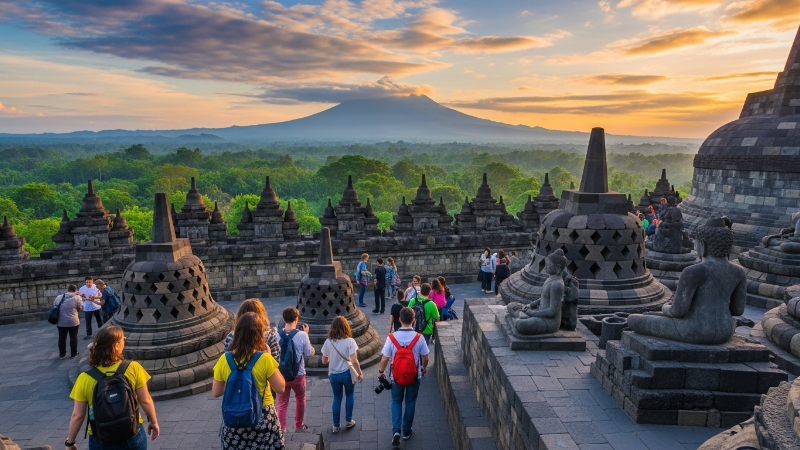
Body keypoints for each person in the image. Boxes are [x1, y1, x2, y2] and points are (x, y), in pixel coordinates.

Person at [66, 325, 159, 450]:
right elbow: (145, 400)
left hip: (100, 440)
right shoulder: (133, 367)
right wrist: (153, 422)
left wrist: (70, 443)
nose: (124, 342)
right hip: (132, 434)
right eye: (123, 339)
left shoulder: (84, 378)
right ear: (116, 345)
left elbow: (77, 416)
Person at [212, 312, 286, 450]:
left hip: (234, 417)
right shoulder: (264, 358)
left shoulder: (225, 359)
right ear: (259, 334)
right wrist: (269, 357)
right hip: (263, 416)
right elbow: (280, 388)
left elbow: (216, 392)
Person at [377, 307, 430, 446]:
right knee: (410, 402)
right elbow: (425, 357)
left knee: (396, 401)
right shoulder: (419, 338)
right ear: (413, 320)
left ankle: (396, 431)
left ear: (400, 320)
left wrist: (381, 371)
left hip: (396, 377)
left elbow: (385, 358)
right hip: (414, 376)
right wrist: (423, 368)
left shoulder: (392, 338)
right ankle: (407, 431)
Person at [321, 316, 364, 433]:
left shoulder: (328, 342)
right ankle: (348, 421)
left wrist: (331, 358)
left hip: (333, 374)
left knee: (337, 398)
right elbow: (354, 360)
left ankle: (336, 425)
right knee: (349, 395)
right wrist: (359, 373)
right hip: (347, 374)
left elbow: (324, 361)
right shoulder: (350, 341)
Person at [276, 307, 314, 433]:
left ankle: (282, 429)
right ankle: (299, 425)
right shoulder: (302, 335)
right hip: (298, 374)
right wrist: (306, 334)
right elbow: (308, 353)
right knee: (300, 398)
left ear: (283, 319)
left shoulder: (277, 334)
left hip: (281, 375)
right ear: (296, 319)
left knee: (282, 402)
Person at [55, 285, 83, 360]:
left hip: (61, 321)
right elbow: (80, 308)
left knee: (62, 338)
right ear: (76, 290)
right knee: (73, 337)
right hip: (73, 321)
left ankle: (62, 354)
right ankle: (74, 353)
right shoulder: (77, 297)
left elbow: (55, 306)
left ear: (68, 290)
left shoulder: (59, 297)